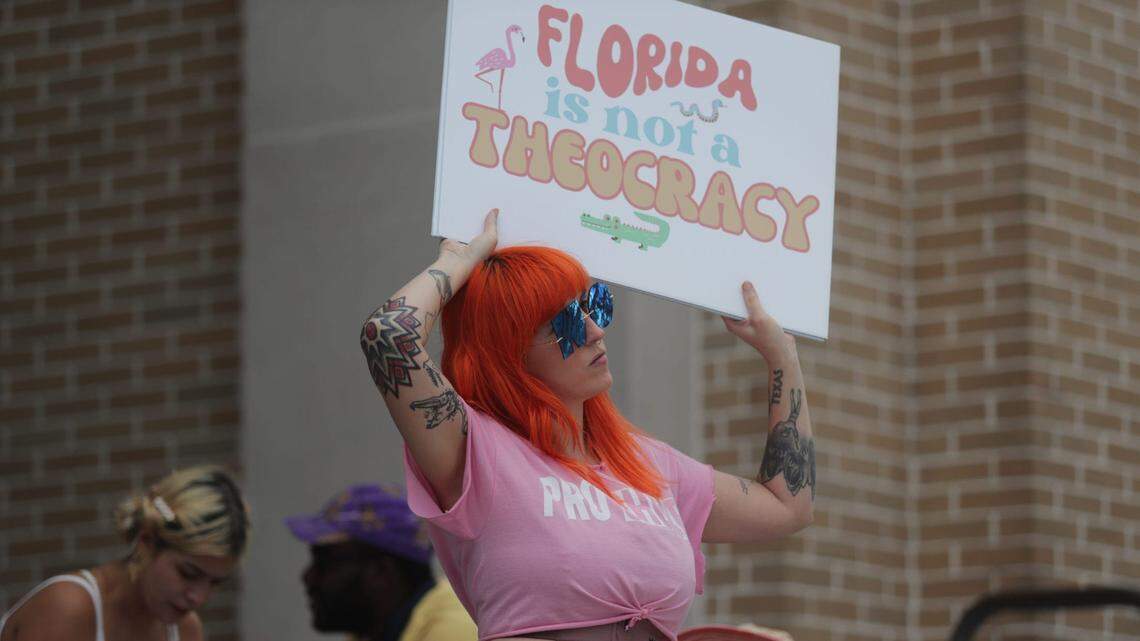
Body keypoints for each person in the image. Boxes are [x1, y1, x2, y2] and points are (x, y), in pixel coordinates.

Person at [359, 209, 816, 641]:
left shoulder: (647, 465)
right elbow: (390, 336)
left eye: (594, 306)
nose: (596, 331)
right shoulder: (474, 449)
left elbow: (786, 505)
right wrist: (459, 261)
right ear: (508, 352)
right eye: (566, 325)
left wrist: (783, 356)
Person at [0, 465, 250, 641]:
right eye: (188, 573)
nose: (199, 597)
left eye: (215, 583)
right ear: (146, 541)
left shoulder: (186, 631)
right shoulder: (68, 608)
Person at [285, 483, 477, 641]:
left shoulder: (452, 632)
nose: (308, 577)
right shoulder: (373, 630)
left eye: (326, 563)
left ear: (381, 571)